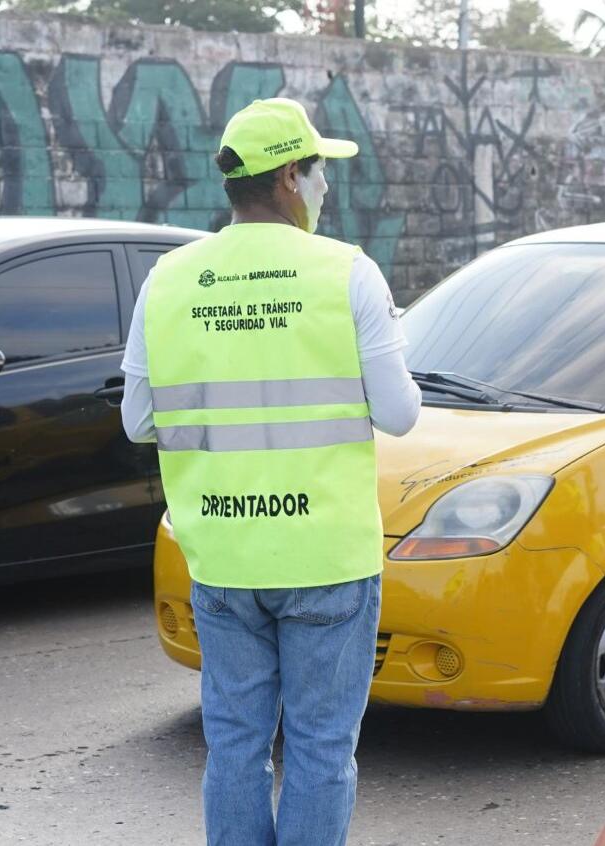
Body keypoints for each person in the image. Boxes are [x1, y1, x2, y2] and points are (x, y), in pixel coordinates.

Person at [119, 97, 420, 845]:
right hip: (326, 558)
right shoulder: (346, 273)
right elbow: (399, 413)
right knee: (320, 749)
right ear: (288, 176)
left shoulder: (168, 279)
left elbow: (137, 421)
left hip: (222, 555)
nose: (325, 186)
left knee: (235, 747)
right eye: (318, 171)